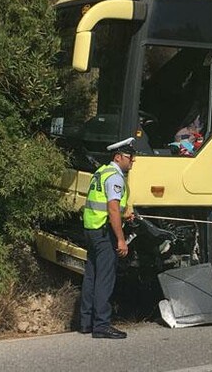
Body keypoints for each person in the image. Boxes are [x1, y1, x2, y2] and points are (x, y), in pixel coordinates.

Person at [80, 137, 136, 339]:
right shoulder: (115, 177)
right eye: (130, 157)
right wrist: (121, 240)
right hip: (104, 233)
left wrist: (124, 214)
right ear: (118, 156)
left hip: (91, 229)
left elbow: (105, 205)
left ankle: (86, 322)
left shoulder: (101, 172)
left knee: (91, 276)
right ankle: (102, 324)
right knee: (105, 278)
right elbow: (112, 208)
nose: (133, 161)